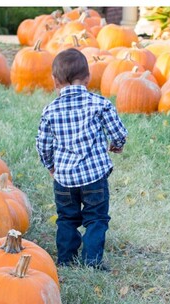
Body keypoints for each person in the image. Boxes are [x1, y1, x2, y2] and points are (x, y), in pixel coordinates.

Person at [36, 48, 128, 270]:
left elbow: (43, 145)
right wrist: (116, 145)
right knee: (96, 219)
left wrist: (51, 166)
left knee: (66, 219)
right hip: (94, 177)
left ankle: (66, 260)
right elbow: (118, 133)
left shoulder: (50, 111)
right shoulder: (100, 104)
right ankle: (91, 261)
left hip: (64, 179)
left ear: (55, 81)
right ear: (88, 78)